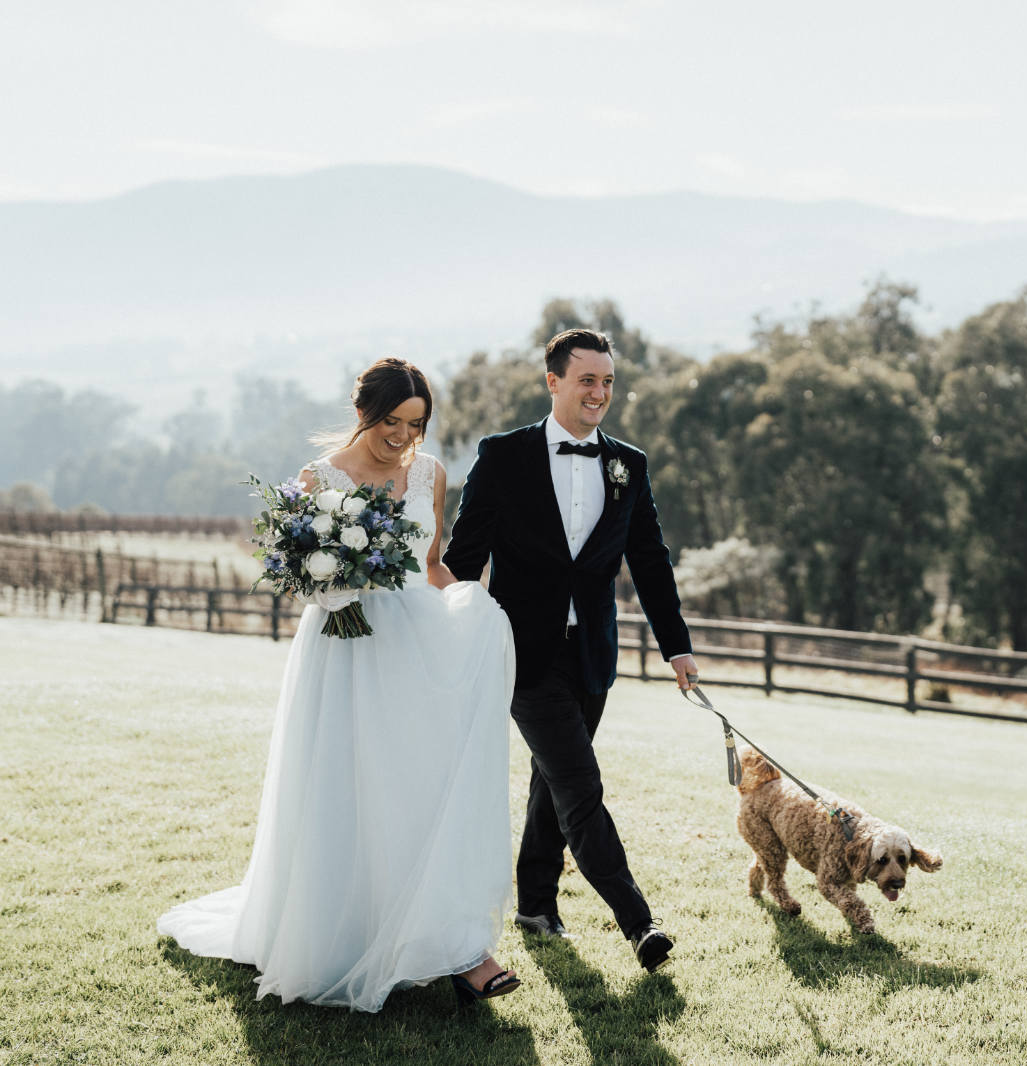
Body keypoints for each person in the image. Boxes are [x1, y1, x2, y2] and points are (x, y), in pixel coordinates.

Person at [158, 358, 522, 1011]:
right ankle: (343, 937)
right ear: (364, 414)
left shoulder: (432, 473)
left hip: (418, 648)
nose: (403, 437)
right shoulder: (318, 481)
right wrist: (329, 588)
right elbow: (301, 575)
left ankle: (456, 946)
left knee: (422, 787)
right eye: (392, 423)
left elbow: (431, 564)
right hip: (344, 648)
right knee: (348, 786)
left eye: (416, 424)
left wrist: (471, 609)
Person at [443, 328, 698, 973]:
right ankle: (639, 923)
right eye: (587, 380)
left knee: (551, 778)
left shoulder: (628, 465)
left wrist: (677, 647)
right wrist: (447, 633)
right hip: (523, 655)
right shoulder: (504, 456)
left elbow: (650, 560)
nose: (600, 393)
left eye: (608, 381)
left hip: (592, 655)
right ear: (552, 381)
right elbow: (463, 558)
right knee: (580, 784)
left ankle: (535, 903)